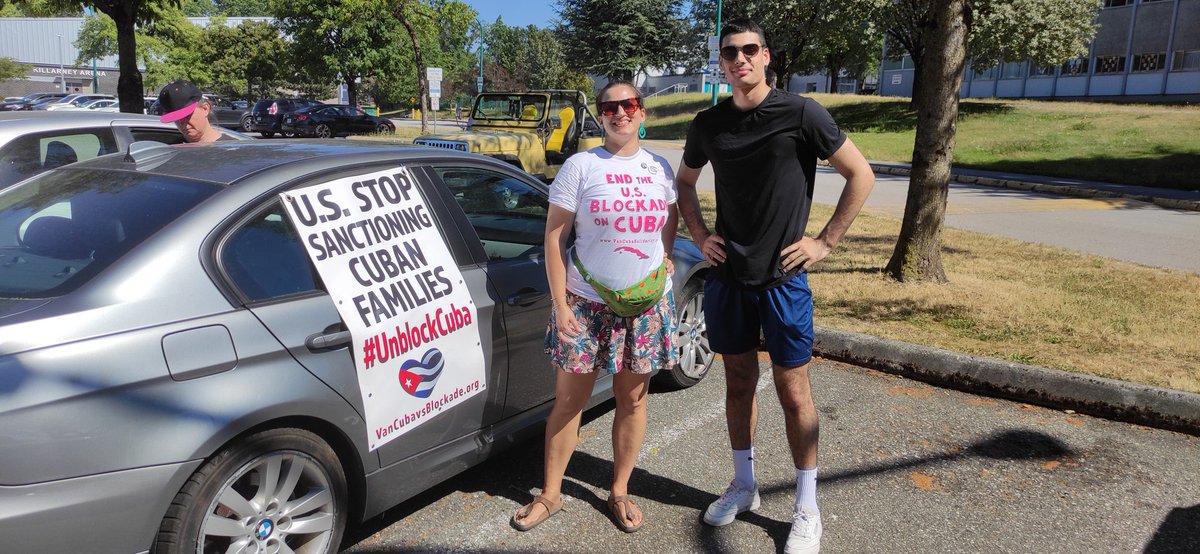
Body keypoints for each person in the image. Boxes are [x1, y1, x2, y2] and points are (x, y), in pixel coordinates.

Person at [675, 18, 875, 554]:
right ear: (721, 63)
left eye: (749, 50)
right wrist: (700, 235)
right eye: (729, 52)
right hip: (728, 279)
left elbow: (861, 174)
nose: (739, 59)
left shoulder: (802, 113)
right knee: (738, 384)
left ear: (766, 56)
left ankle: (807, 507)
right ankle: (744, 485)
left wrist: (825, 242)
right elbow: (685, 184)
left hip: (783, 280)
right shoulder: (709, 124)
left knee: (793, 392)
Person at [511, 80, 678, 533]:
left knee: (633, 400)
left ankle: (619, 490)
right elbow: (554, 237)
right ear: (600, 116)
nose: (620, 112)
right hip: (585, 304)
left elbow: (670, 214)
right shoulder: (581, 166)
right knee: (570, 401)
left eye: (629, 104)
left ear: (642, 112)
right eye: (609, 107)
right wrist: (560, 303)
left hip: (645, 306)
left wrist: (665, 254)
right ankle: (550, 495)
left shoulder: (659, 167)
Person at [156, 80, 228, 143]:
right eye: (176, 118)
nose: (181, 123)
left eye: (187, 115)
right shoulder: (174, 149)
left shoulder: (229, 149)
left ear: (205, 109)